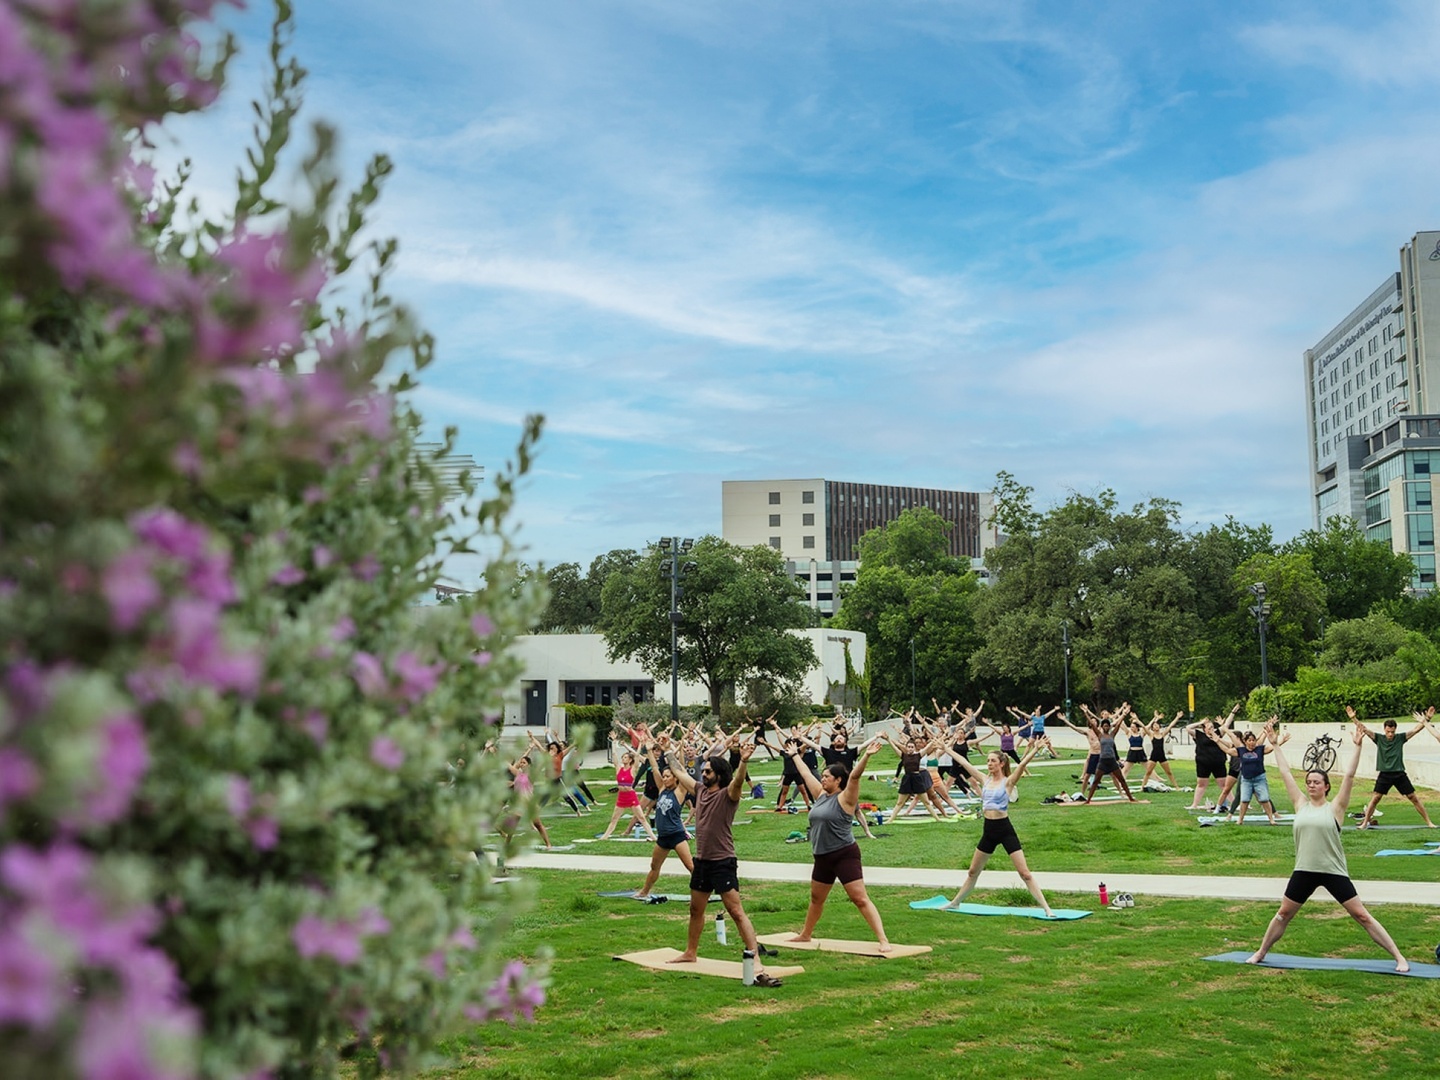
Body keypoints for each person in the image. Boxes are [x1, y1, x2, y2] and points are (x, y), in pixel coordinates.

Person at [1246, 722, 1409, 972]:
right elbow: (1286, 773)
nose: (1311, 785)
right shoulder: (1300, 804)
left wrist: (1357, 747)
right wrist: (1276, 745)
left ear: (1326, 786)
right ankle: (1260, 952)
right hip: (1304, 870)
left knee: (1362, 916)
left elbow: (1349, 776)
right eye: (1309, 782)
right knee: (1283, 914)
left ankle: (1399, 957)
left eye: (1316, 782)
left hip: (1333, 871)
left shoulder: (1336, 808)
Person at [668, 744, 782, 986]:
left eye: (708, 771)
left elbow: (738, 782)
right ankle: (690, 952)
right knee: (695, 910)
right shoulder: (700, 790)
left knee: (736, 912)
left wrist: (744, 761)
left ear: (719, 774)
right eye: (703, 770)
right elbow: (679, 772)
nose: (703, 774)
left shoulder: (728, 795)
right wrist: (665, 749)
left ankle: (755, 957)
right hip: (702, 861)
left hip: (722, 862)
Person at [781, 738, 892, 951]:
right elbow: (805, 774)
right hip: (822, 856)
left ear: (838, 780)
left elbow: (855, 776)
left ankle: (883, 940)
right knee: (816, 898)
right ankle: (805, 935)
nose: (822, 779)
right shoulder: (821, 795)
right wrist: (794, 755)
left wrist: (867, 756)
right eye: (822, 776)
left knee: (859, 898)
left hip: (844, 855)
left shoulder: (846, 798)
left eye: (826, 777)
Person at [942, 746, 1056, 918]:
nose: (989, 763)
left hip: (1005, 830)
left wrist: (1035, 749)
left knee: (1025, 874)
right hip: (988, 831)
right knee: (972, 872)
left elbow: (1022, 765)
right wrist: (946, 748)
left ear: (1001, 764)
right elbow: (964, 762)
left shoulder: (1008, 782)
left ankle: (1047, 909)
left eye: (993, 761)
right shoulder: (984, 779)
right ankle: (955, 903)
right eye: (988, 761)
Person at [1348, 706, 1437, 829]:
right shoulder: (1379, 738)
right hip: (1384, 774)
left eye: (1392, 732)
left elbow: (1416, 729)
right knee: (1375, 798)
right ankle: (1364, 823)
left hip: (1399, 773)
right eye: (1388, 731)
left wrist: (1427, 718)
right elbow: (1364, 729)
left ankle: (1429, 822)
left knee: (1413, 798)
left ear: (1395, 730)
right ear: (1384, 729)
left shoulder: (1400, 738)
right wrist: (1354, 718)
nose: (1390, 734)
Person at [633, 742, 696, 899]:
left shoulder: (680, 791)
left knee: (691, 866)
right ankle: (644, 892)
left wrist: (675, 753)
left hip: (677, 835)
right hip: (663, 837)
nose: (665, 778)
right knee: (654, 866)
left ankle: (702, 893)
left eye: (668, 776)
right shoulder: (662, 789)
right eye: (664, 776)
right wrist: (649, 750)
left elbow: (682, 771)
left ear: (675, 778)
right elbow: (655, 768)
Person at [596, 741, 657, 842]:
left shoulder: (632, 770)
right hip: (621, 796)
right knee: (614, 818)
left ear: (630, 760)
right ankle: (605, 836)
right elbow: (614, 755)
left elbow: (637, 756)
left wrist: (640, 745)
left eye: (625, 757)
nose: (623, 759)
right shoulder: (619, 769)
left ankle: (654, 837)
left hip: (631, 796)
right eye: (623, 757)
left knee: (641, 818)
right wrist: (613, 743)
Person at [1225, 726, 1283, 826]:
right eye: (1249, 740)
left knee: (1264, 798)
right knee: (1244, 799)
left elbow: (1270, 746)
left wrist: (1280, 740)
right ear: (1245, 741)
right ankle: (1239, 819)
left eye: (1253, 740)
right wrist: (1217, 737)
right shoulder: (1241, 749)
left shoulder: (1259, 749)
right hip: (1246, 778)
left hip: (1259, 778)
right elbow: (1228, 745)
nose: (1252, 742)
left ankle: (1272, 818)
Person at [1139, 710, 1184, 790]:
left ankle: (1176, 787)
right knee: (1148, 772)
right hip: (1154, 756)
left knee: (1169, 772)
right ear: (1152, 728)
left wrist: (1177, 717)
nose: (1156, 726)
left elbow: (1170, 726)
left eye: (1157, 725)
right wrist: (1136, 719)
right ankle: (1142, 787)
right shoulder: (1151, 735)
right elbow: (1143, 727)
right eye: (1154, 726)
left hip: (1162, 755)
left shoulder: (1162, 734)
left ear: (1159, 727)